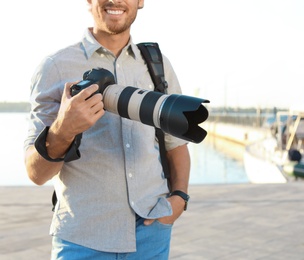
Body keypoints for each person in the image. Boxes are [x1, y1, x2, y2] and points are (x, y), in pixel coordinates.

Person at [24, 0, 191, 259]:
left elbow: (175, 143)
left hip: (152, 234)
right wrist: (64, 129)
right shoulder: (55, 67)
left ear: (140, 2)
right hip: (81, 240)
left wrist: (179, 199)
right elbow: (36, 173)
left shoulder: (158, 65)